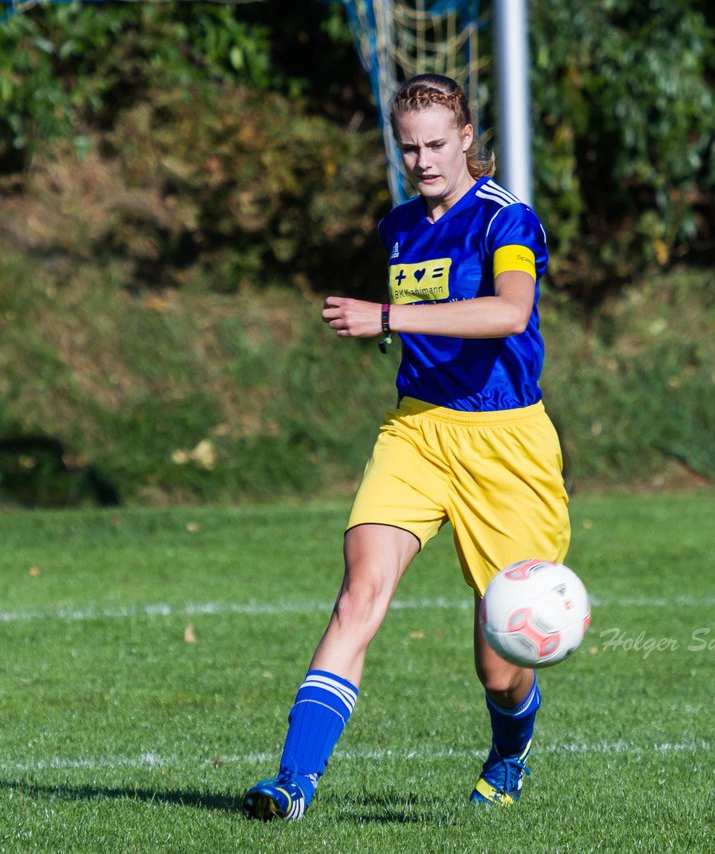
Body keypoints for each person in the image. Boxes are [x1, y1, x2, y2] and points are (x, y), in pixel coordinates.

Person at [241, 73, 570, 821]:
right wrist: (393, 323)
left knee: (500, 663)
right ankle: (293, 782)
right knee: (359, 593)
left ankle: (511, 746)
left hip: (507, 444)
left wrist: (389, 316)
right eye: (408, 147)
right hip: (417, 433)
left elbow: (512, 313)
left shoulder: (505, 221)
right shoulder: (398, 227)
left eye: (434, 145)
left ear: (465, 140)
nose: (421, 161)